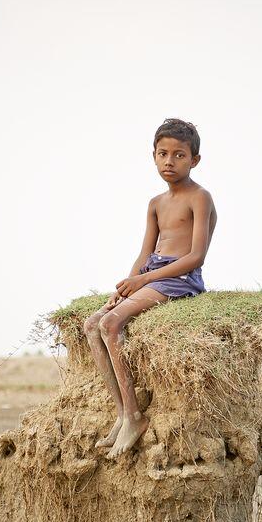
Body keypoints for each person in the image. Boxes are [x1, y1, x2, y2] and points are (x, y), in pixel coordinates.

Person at [83, 118, 218, 458]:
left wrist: (145, 280)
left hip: (178, 278)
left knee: (110, 324)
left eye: (179, 155)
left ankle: (134, 416)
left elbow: (196, 256)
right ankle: (122, 413)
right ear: (153, 157)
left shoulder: (199, 198)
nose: (169, 162)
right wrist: (127, 284)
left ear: (195, 160)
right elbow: (146, 253)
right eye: (163, 154)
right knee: (91, 324)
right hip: (154, 273)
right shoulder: (155, 203)